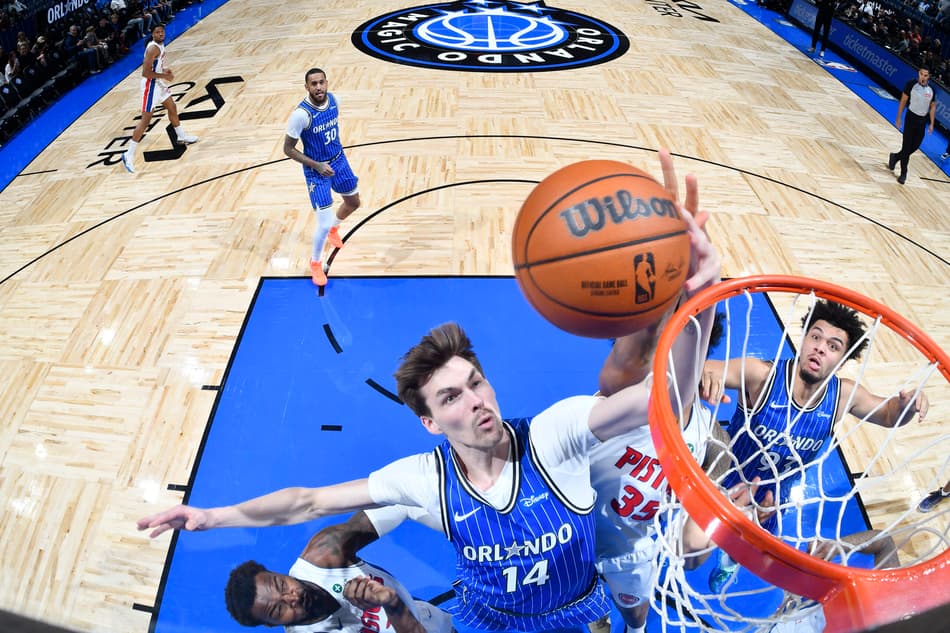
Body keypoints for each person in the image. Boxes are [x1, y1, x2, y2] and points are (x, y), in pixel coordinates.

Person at [137, 149, 722, 632]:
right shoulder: (422, 479)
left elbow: (667, 401)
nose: (475, 401)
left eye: (475, 382)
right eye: (451, 399)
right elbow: (308, 501)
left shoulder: (554, 432)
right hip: (492, 623)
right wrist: (210, 516)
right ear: (431, 424)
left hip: (576, 609)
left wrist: (696, 301)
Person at [698, 299, 929, 591]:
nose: (820, 347)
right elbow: (705, 369)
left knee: (739, 551)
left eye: (833, 346)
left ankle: (728, 563)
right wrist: (705, 372)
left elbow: (887, 414)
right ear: (804, 338)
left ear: (842, 360)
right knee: (694, 545)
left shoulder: (843, 395)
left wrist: (908, 405)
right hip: (724, 480)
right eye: (815, 336)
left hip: (773, 500)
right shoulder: (761, 375)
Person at [588, 311, 726, 633]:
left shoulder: (710, 437)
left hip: (633, 547)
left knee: (636, 619)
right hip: (579, 535)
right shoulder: (614, 405)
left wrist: (720, 520)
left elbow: (691, 555)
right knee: (591, 612)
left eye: (682, 350)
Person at [224, 507, 453, 632]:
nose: (291, 597)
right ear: (271, 624)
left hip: (431, 621)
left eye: (281, 585)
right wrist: (390, 603)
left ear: (277, 573)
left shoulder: (324, 554)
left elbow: (399, 503)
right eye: (278, 610)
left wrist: (454, 524)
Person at [283, 68, 360, 287]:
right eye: (313, 84)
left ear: (327, 83)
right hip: (316, 170)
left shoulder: (335, 101)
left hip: (339, 160)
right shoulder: (301, 115)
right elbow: (288, 149)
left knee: (354, 203)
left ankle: (335, 228)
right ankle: (315, 263)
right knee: (322, 223)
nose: (318, 87)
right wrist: (316, 165)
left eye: (321, 83)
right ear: (306, 87)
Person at [121, 25, 198, 174]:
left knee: (172, 107)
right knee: (145, 121)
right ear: (152, 34)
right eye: (157, 32)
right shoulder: (152, 48)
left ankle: (181, 136)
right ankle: (128, 154)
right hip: (150, 86)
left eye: (162, 31)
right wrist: (165, 76)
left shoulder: (160, 46)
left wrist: (163, 71)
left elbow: (154, 68)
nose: (160, 34)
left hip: (158, 83)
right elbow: (145, 73)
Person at [887, 67, 936, 184]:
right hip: (911, 118)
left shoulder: (931, 90)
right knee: (907, 146)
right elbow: (903, 101)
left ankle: (895, 157)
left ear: (928, 77)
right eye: (921, 74)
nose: (923, 77)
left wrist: (932, 123)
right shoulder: (911, 84)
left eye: (925, 75)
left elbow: (933, 106)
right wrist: (899, 117)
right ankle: (904, 173)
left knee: (915, 146)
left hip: (922, 121)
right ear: (918, 74)